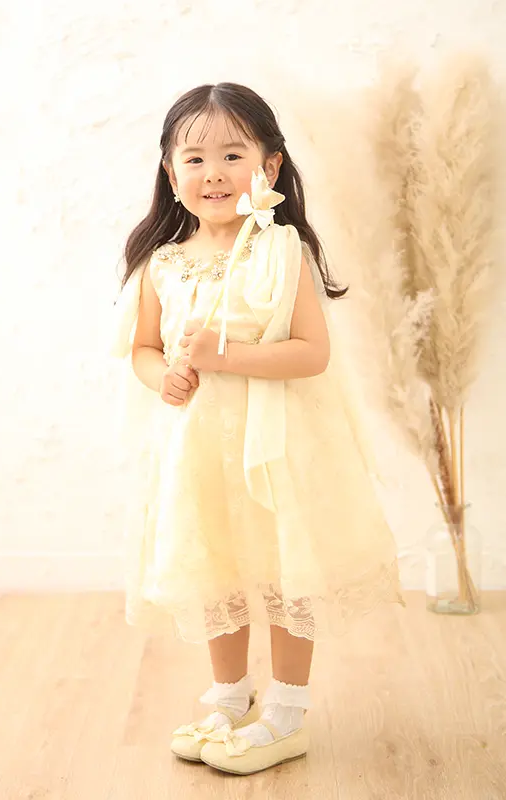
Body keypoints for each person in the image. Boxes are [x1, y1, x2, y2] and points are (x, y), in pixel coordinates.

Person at [109, 82, 406, 776]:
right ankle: (229, 696)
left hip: (276, 451)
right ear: (170, 172)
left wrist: (227, 357)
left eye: (232, 155)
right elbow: (144, 349)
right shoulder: (163, 262)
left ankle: (287, 710)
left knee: (281, 569)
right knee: (215, 567)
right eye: (194, 158)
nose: (213, 173)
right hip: (198, 454)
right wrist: (165, 377)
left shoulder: (280, 251)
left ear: (269, 166)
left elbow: (312, 352)